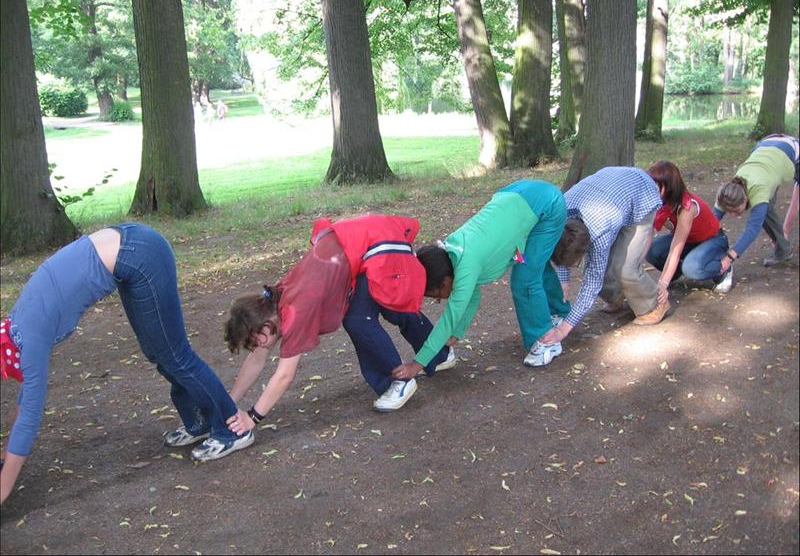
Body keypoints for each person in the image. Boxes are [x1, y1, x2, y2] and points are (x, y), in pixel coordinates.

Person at [1, 224, 252, 505]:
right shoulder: (14, 328)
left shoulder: (30, 342)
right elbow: (25, 401)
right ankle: (200, 421)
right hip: (130, 253)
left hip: (141, 253)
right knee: (157, 352)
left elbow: (30, 415)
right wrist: (5, 456)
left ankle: (231, 429)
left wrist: (3, 490)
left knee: (175, 354)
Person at [217, 214, 454, 439]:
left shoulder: (295, 311)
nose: (257, 347)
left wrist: (252, 418)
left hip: (377, 245)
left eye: (254, 341)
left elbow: (284, 375)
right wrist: (228, 404)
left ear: (265, 325)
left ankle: (398, 382)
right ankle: (439, 354)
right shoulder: (274, 301)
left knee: (358, 319)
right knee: (385, 304)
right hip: (365, 242)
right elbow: (257, 359)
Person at [391, 180, 580, 376]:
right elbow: (473, 299)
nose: (441, 299)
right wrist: (457, 332)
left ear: (445, 282)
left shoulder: (466, 266)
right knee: (534, 264)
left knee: (525, 278)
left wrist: (417, 364)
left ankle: (546, 339)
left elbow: (449, 318)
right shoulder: (452, 251)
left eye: (438, 296)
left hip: (547, 204)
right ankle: (559, 311)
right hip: (520, 194)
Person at [540, 166, 667, 349]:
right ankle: (617, 297)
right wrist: (564, 280)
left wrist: (563, 330)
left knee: (625, 268)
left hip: (641, 194)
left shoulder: (600, 231)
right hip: (612, 193)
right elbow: (562, 246)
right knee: (594, 266)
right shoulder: (561, 215)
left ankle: (654, 304)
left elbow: (592, 283)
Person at [646, 161, 733, 298]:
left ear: (669, 186)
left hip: (713, 240)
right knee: (652, 250)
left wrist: (662, 283)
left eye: (656, 185)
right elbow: (647, 235)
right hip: (690, 241)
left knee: (692, 268)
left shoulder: (687, 207)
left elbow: (675, 249)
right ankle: (676, 272)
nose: (651, 189)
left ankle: (723, 270)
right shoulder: (660, 202)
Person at [715, 134, 799, 270]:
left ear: (746, 198)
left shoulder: (759, 190)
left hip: (791, 150)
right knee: (765, 206)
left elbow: (753, 228)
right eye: (729, 211)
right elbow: (712, 219)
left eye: (736, 210)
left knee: (764, 208)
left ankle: (783, 249)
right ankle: (784, 247)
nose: (733, 215)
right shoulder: (729, 191)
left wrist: (730, 256)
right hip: (765, 147)